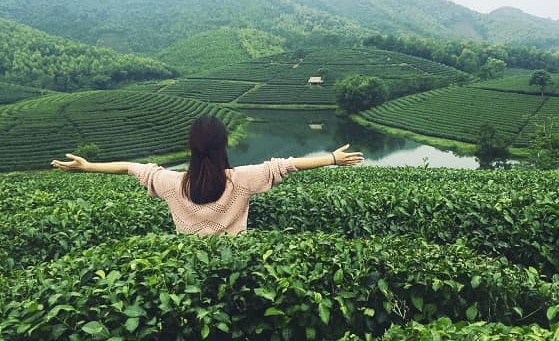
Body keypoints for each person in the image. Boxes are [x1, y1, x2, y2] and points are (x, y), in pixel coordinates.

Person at [51, 115, 363, 235]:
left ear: (192, 148)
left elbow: (131, 167)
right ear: (223, 145)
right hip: (235, 264)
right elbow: (284, 165)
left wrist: (87, 166)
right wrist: (332, 159)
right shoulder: (240, 180)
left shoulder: (173, 184)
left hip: (190, 268)